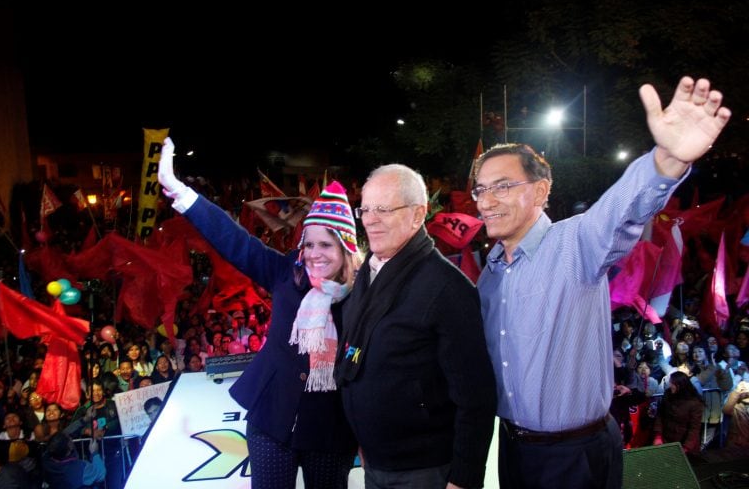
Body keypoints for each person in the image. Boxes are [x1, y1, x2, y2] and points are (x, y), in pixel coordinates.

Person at [473, 76, 731, 488]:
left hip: (575, 456)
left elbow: (620, 211)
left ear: (540, 191)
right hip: (512, 449)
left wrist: (666, 161)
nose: (486, 200)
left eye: (503, 186)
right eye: (481, 190)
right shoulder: (489, 274)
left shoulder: (575, 243)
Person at [158, 138, 360, 489]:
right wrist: (180, 192)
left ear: (346, 250)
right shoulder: (285, 272)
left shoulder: (365, 292)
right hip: (270, 418)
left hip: (331, 426)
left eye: (326, 245)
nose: (314, 253)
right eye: (308, 243)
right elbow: (234, 240)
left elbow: (370, 349)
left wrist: (353, 369)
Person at [333, 164, 497, 489]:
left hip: (426, 471)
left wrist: (463, 480)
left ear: (417, 214)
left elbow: (476, 396)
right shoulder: (368, 272)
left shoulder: (448, 288)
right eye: (365, 208)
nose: (369, 219)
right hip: (377, 464)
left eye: (383, 208)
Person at [41, 432, 106, 489]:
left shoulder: (46, 461)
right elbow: (101, 474)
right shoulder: (80, 468)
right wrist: (94, 453)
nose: (71, 439)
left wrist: (83, 420)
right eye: (70, 439)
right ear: (69, 447)